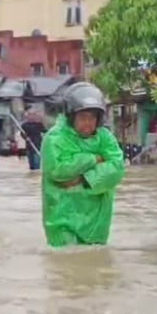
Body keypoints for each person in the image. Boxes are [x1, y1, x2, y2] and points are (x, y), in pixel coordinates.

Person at [41, 82, 125, 248]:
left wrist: (84, 179)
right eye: (83, 117)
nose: (88, 123)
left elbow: (116, 168)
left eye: (92, 118)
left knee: (95, 264)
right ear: (71, 117)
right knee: (65, 263)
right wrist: (93, 159)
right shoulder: (55, 138)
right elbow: (58, 171)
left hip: (97, 219)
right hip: (62, 216)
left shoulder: (105, 138)